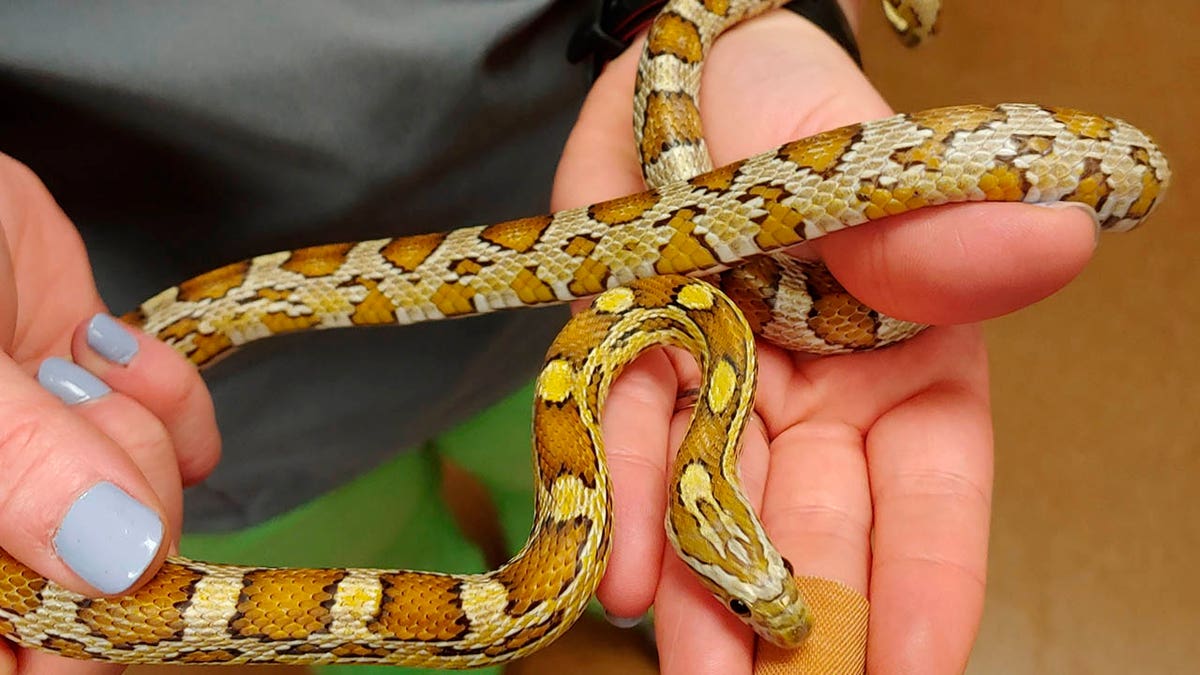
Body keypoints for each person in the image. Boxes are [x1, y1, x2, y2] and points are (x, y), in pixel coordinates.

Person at [0, 2, 1100, 674]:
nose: (770, 593)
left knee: (556, 506)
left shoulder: (676, 337)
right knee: (396, 546)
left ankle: (610, 601)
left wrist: (728, 21)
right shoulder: (696, 348)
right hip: (177, 392)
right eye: (761, 580)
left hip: (533, 251)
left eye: (748, 583)